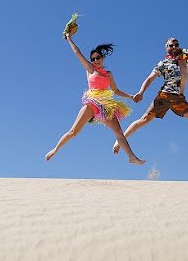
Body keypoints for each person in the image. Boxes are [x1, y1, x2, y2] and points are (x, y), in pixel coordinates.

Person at [112, 21, 188, 154]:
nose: (174, 46)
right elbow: (150, 77)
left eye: (176, 44)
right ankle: (120, 140)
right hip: (165, 96)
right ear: (166, 48)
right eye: (171, 45)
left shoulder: (185, 56)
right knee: (144, 120)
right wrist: (141, 92)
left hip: (179, 99)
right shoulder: (164, 63)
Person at [46, 33, 146, 164]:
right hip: (91, 103)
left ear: (102, 58)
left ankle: (131, 157)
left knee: (119, 133)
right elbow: (77, 52)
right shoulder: (90, 69)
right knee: (73, 132)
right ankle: (55, 149)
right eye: (92, 59)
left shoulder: (108, 74)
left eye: (97, 58)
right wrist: (69, 38)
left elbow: (115, 90)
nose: (95, 61)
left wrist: (131, 96)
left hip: (105, 106)